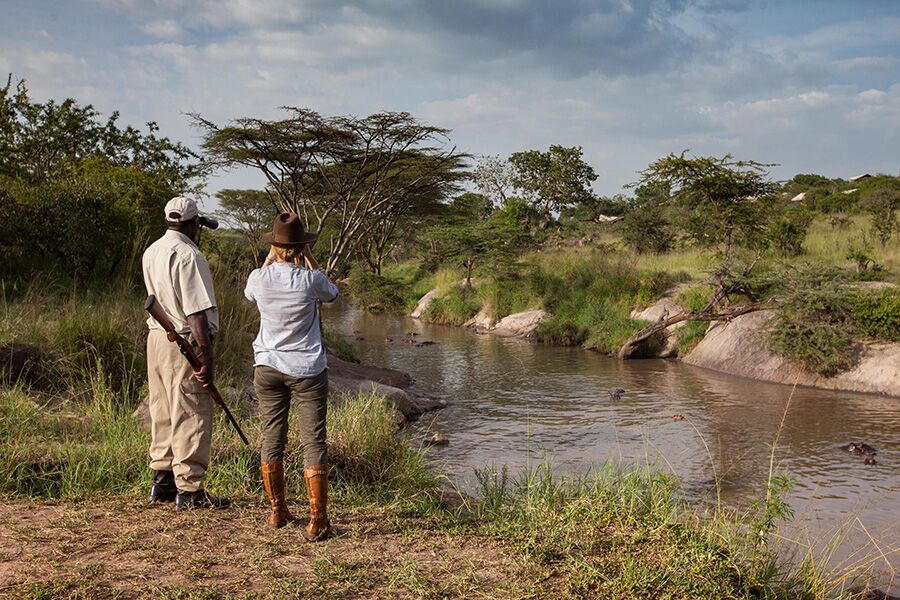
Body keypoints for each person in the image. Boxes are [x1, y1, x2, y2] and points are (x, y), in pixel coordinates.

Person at [244, 212, 339, 539]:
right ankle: (317, 521)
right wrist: (310, 257)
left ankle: (277, 511)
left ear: (274, 245)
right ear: (300, 247)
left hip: (268, 367)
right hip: (308, 369)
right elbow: (333, 294)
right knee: (313, 441)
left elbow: (249, 293)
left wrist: (273, 256)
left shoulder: (259, 278)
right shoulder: (310, 279)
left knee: (273, 437)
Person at [142, 196, 230, 510]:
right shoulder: (189, 255)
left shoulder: (151, 250)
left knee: (163, 408)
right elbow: (196, 314)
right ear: (193, 224)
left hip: (157, 339)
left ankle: (163, 483)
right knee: (191, 410)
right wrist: (205, 357)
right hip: (183, 340)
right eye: (198, 226)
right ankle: (190, 491)